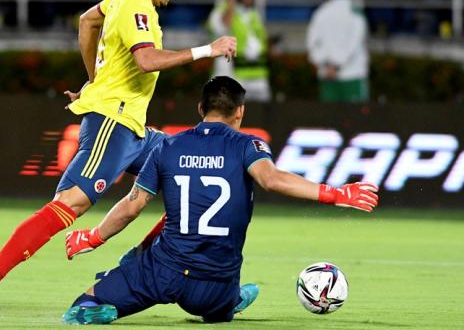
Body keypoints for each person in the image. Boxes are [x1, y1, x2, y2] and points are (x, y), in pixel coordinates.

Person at [0, 0, 237, 322]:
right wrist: (209, 49)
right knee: (70, 204)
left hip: (133, 126)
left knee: (188, 176)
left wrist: (95, 80)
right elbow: (147, 61)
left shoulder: (121, 0)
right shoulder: (137, 7)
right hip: (114, 123)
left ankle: (212, 287)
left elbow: (87, 21)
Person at [61, 76, 379, 325]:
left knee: (81, 306)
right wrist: (337, 193)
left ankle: (101, 308)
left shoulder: (167, 146)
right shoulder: (247, 146)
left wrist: (93, 237)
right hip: (215, 282)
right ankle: (228, 303)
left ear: (201, 109)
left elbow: (133, 205)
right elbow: (273, 180)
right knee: (220, 307)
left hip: (161, 272)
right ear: (240, 112)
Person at [306, 0, 369, 103]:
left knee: (330, 120)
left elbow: (313, 42)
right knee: (358, 120)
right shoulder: (355, 11)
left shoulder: (322, 10)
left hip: (327, 75)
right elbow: (354, 41)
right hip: (352, 74)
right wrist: (336, 65)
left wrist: (324, 65)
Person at [208, 0, 270, 101]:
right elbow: (225, 26)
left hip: (256, 71)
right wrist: (231, 3)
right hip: (230, 70)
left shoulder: (253, 14)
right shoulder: (222, 10)